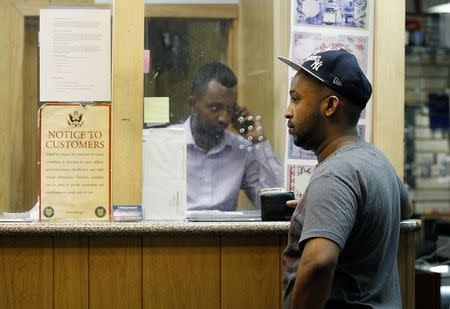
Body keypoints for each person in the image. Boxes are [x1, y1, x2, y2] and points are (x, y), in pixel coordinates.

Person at [278, 49, 413, 308]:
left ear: (329, 106)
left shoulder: (334, 175)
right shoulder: (375, 159)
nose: (287, 111)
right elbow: (405, 206)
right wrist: (325, 209)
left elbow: (319, 263)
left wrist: (329, 199)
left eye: (296, 99)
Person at [177, 62, 283, 211]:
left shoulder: (240, 149)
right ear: (193, 104)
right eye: (215, 108)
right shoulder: (168, 144)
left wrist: (258, 141)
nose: (224, 119)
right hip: (177, 233)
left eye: (231, 109)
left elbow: (275, 204)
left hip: (225, 233)